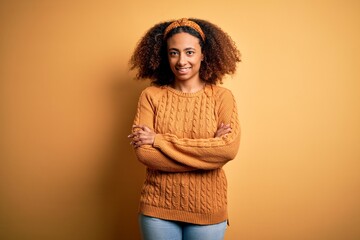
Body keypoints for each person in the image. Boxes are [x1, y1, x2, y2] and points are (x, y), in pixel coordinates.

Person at [128, 17, 241, 240]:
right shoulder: (151, 96)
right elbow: (145, 154)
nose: (181, 61)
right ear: (165, 56)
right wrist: (206, 155)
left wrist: (158, 140)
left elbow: (227, 150)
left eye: (189, 52)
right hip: (157, 210)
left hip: (208, 210)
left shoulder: (221, 97)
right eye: (174, 52)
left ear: (203, 54)